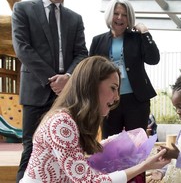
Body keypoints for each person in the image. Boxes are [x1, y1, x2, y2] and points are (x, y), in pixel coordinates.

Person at [19, 55, 170, 182]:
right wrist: (144, 166)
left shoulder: (70, 119)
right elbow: (88, 180)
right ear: (92, 85)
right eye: (113, 88)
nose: (117, 97)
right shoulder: (61, 122)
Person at [11, 0, 88, 181]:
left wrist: (68, 78)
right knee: (30, 150)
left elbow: (82, 53)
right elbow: (22, 48)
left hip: (67, 95)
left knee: (69, 151)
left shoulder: (75, 18)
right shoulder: (22, 9)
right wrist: (53, 79)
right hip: (36, 93)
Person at [89, 0, 160, 139]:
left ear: (129, 18)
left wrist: (145, 32)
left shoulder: (137, 38)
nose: (120, 18)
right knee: (110, 142)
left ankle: (139, 163)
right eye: (116, 13)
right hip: (109, 101)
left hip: (136, 100)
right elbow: (90, 72)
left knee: (136, 143)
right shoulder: (98, 41)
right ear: (110, 15)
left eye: (125, 15)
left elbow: (153, 59)